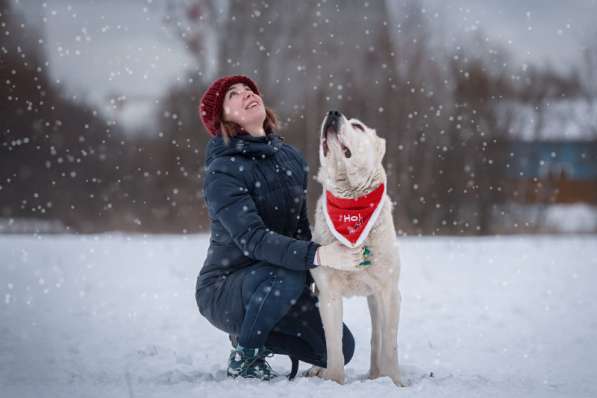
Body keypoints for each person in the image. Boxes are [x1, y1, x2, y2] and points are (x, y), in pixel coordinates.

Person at [194, 75, 365, 381]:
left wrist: (325, 265)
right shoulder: (222, 171)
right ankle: (246, 355)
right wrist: (319, 255)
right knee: (285, 271)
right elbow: (253, 240)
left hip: (279, 281)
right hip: (225, 289)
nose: (247, 94)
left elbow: (299, 230)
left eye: (249, 90)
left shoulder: (291, 159)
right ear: (221, 119)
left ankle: (250, 333)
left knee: (340, 349)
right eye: (233, 95)